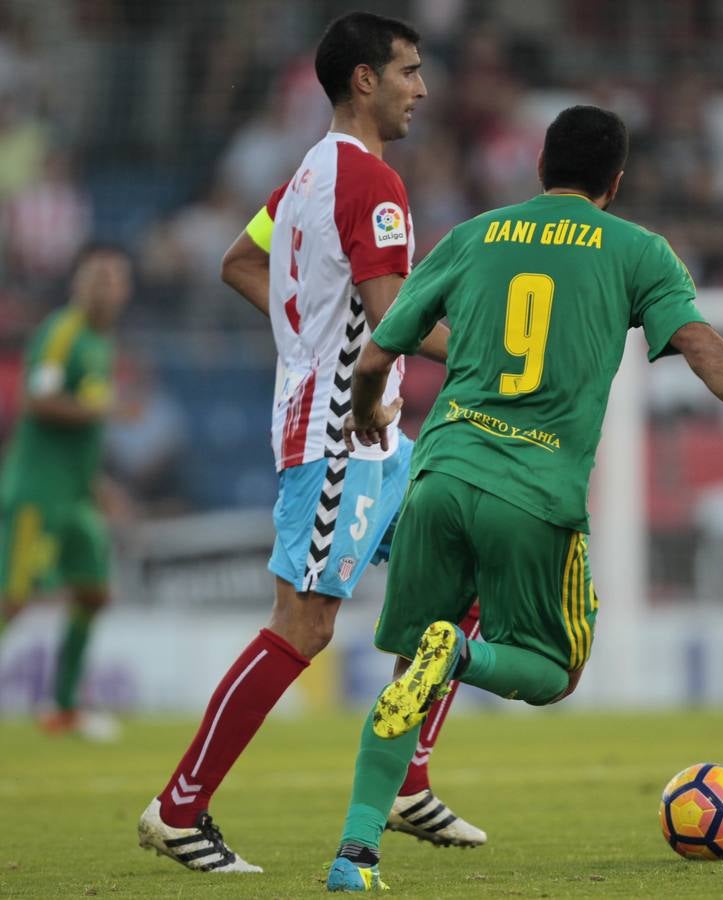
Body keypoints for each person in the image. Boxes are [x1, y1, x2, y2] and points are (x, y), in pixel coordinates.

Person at [329, 105, 723, 892]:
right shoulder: (637, 250)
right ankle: (460, 656)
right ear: (616, 183)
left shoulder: (476, 234)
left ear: (539, 167)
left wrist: (365, 417)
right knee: (553, 669)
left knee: (403, 670)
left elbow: (378, 351)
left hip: (442, 472)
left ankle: (353, 856)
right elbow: (699, 345)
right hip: (533, 490)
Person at [137, 12, 482, 875]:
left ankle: (404, 780)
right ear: (364, 79)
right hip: (340, 434)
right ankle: (180, 809)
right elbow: (394, 313)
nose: (422, 89)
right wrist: (497, 355)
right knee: (305, 625)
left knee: (465, 564)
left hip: (373, 430)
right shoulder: (370, 181)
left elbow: (240, 265)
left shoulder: (307, 174)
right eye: (408, 71)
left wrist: (306, 343)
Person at [0, 243, 132, 741]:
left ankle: (62, 708)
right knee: (12, 599)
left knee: (94, 592)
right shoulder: (63, 334)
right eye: (97, 277)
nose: (106, 287)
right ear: (79, 284)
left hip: (75, 495)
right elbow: (37, 397)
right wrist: (99, 411)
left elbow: (79, 435)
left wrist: (100, 487)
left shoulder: (103, 342)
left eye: (114, 278)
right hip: (37, 493)